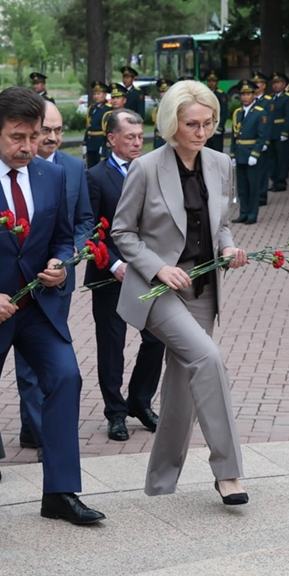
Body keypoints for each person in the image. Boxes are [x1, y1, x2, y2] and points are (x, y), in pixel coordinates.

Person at [0, 87, 104, 528]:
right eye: (18, 137)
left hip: (37, 306)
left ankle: (60, 492)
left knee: (66, 378)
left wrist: (61, 263)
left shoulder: (51, 175)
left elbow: (63, 235)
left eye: (35, 137)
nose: (29, 148)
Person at [112, 80, 250, 505]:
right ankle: (228, 472)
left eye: (209, 122)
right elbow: (123, 232)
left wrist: (227, 246)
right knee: (208, 359)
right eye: (193, 123)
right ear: (172, 123)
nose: (202, 131)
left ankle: (160, 483)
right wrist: (159, 268)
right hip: (158, 293)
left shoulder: (220, 163)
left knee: (181, 386)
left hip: (204, 288)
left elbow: (223, 220)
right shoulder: (147, 167)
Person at [8, 100, 93, 459]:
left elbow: (84, 221)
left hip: (56, 280)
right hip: (14, 281)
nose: (54, 137)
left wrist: (67, 256)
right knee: (27, 365)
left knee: (49, 360)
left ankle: (34, 428)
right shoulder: (11, 169)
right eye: (47, 130)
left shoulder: (72, 169)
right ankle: (42, 435)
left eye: (59, 130)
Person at [85, 109, 165, 442]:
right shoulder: (95, 177)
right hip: (111, 275)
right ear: (112, 139)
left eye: (140, 137)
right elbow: (90, 228)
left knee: (157, 338)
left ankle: (140, 401)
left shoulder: (154, 171)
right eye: (129, 137)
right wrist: (114, 264)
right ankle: (115, 412)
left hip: (149, 272)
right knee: (112, 345)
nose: (136, 143)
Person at [229, 79, 271, 226]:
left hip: (252, 154)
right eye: (243, 94)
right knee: (242, 187)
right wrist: (233, 154)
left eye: (248, 94)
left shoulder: (260, 113)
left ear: (254, 95)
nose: (245, 97)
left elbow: (262, 136)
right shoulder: (238, 113)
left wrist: (255, 154)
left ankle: (252, 214)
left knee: (253, 186)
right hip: (240, 153)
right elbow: (235, 136)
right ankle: (243, 212)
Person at [251, 72, 275, 207]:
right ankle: (254, 195)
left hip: (262, 140)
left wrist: (266, 141)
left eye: (258, 83)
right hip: (251, 140)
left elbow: (269, 122)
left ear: (264, 86)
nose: (256, 85)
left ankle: (262, 195)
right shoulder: (252, 100)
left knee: (263, 169)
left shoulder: (267, 101)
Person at [269, 72, 289, 192]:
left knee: (282, 158)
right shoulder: (270, 98)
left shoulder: (288, 98)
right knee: (272, 158)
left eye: (278, 83)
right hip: (271, 133)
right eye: (274, 83)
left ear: (284, 84)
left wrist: (285, 132)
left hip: (281, 133)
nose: (275, 85)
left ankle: (281, 182)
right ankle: (274, 180)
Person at [84, 81, 109, 168]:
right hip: (90, 143)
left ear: (105, 95)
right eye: (94, 94)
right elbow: (88, 127)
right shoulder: (92, 108)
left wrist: (104, 145)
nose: (96, 96)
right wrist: (85, 142)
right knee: (90, 167)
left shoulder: (107, 109)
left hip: (100, 142)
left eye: (99, 94)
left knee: (99, 167)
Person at [203, 71, 228, 152]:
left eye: (213, 81)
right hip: (205, 128)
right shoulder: (203, 94)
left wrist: (219, 127)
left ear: (217, 82)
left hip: (216, 128)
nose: (211, 83)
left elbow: (224, 112)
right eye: (209, 81)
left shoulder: (221, 95)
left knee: (217, 151)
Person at [152, 78, 173, 149]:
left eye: (166, 91)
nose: (164, 94)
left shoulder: (174, 107)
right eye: (162, 92)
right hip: (159, 140)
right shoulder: (158, 107)